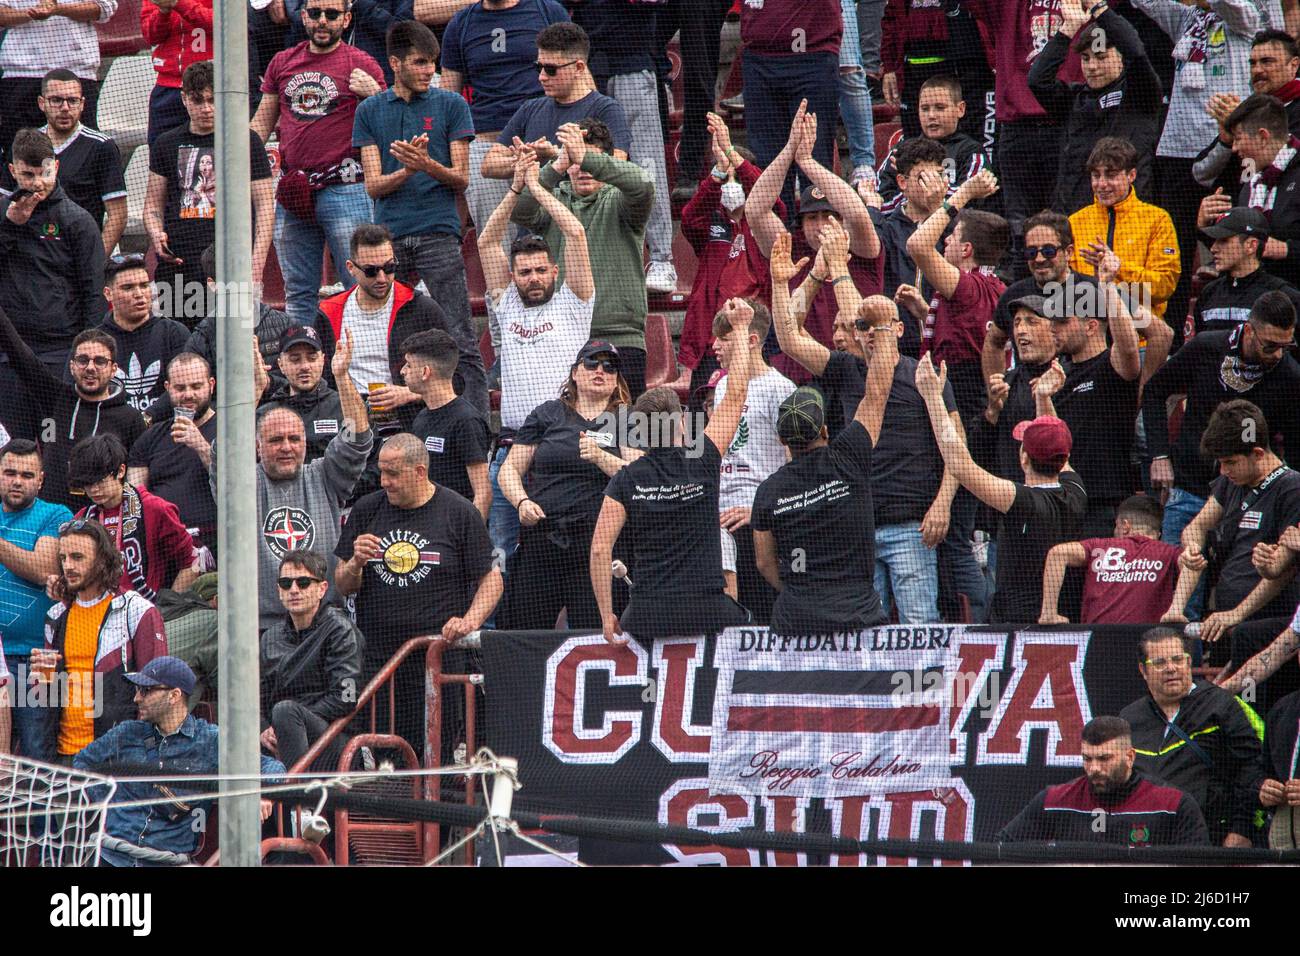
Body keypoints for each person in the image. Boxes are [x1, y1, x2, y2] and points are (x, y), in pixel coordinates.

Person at [770, 232, 959, 625]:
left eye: (882, 325)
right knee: (859, 630)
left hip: (913, 524)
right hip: (856, 526)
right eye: (866, 327)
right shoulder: (848, 370)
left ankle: (926, 688)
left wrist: (943, 502)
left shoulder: (926, 374)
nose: (872, 332)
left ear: (901, 330)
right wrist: (779, 282)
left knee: (920, 625)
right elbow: (789, 338)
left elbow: (955, 448)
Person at [591, 298, 758, 644]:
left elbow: (599, 550)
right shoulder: (705, 457)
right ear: (682, 422)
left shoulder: (627, 478)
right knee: (748, 621)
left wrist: (607, 616)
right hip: (707, 609)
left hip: (647, 614)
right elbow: (738, 391)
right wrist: (741, 328)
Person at [354, 21, 488, 417]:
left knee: (460, 335)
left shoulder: (452, 104)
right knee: (385, 334)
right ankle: (392, 420)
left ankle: (476, 425)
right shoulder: (369, 110)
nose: (430, 70)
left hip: (438, 234)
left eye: (433, 62)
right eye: (419, 62)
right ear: (395, 63)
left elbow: (462, 178)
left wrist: (426, 163)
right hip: (388, 241)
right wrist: (409, 171)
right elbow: (373, 186)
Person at [335, 432, 502, 748]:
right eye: (381, 471)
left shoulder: (458, 511)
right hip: (381, 656)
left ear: (420, 471)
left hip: (437, 654)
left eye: (393, 473)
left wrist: (470, 621)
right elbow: (343, 585)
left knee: (436, 746)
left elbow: (492, 579)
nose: (384, 481)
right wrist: (356, 562)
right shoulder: (368, 509)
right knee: (386, 747)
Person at [478, 150, 594, 565]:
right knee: (499, 554)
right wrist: (514, 188)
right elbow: (487, 241)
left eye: (541, 270)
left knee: (563, 556)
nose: (533, 278)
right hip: (511, 446)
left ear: (555, 271)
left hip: (561, 447)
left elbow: (577, 235)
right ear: (513, 276)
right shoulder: (506, 303)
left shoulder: (574, 302)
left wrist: (538, 189)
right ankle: (497, 629)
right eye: (524, 272)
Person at [1131, 0, 1272, 338]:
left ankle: (1236, 334)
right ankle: (1172, 338)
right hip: (1177, 150)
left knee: (1235, 244)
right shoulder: (1187, 17)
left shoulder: (1246, 15)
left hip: (1228, 146)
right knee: (1175, 252)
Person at [752, 310, 895, 635]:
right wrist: (884, 325)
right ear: (826, 431)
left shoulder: (768, 491)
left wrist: (797, 589)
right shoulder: (850, 455)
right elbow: (876, 393)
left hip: (795, 619)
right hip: (858, 616)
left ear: (781, 439)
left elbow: (764, 563)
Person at [919, 354, 1087, 625]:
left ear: (1023, 457)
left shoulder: (1022, 501)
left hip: (1017, 625)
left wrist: (932, 398)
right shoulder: (1075, 490)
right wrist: (1043, 398)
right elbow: (1056, 440)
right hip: (1063, 624)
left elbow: (961, 465)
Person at [1144, 292, 1300, 580]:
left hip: (1250, 500)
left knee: (1238, 585)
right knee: (1177, 583)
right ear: (1250, 331)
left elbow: (1294, 444)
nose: (1278, 353)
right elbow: (1154, 391)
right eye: (1270, 345)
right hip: (1190, 486)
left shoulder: (1290, 375)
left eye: (1286, 345)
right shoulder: (1207, 347)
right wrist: (1159, 455)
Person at [74, 656, 283, 867]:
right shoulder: (127, 732)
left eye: (146, 690)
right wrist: (111, 803)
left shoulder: (210, 740)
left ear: (174, 695)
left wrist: (263, 793)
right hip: (111, 856)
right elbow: (82, 763)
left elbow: (272, 767)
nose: (137, 698)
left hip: (167, 860)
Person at [252, 0, 385, 327]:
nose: (322, 21)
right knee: (297, 291)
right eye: (315, 13)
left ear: (347, 18)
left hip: (348, 188)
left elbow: (392, 129)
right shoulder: (283, 62)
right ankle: (302, 368)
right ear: (303, 16)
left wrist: (376, 96)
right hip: (294, 192)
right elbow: (259, 128)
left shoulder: (362, 63)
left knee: (359, 285)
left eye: (331, 14)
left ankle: (364, 361)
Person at [234, 329, 373, 630]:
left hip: (325, 620)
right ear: (257, 446)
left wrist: (342, 376)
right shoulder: (242, 483)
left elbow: (358, 439)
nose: (286, 447)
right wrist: (256, 388)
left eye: (294, 439)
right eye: (276, 440)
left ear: (306, 443)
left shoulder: (323, 474)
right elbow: (226, 449)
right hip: (258, 626)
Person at [510, 118, 654, 394]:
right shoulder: (555, 199)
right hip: (563, 338)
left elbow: (644, 184)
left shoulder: (622, 201)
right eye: (577, 162)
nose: (584, 169)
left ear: (607, 162)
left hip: (621, 338)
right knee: (567, 433)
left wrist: (585, 157)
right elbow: (519, 209)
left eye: (591, 161)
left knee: (624, 434)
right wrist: (558, 165)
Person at [497, 341, 632, 629]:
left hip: (598, 541)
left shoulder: (627, 419)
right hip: (545, 535)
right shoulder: (547, 414)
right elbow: (509, 469)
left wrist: (600, 458)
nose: (601, 370)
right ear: (574, 372)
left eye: (610, 367)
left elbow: (638, 476)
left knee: (594, 631)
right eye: (592, 363)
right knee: (526, 629)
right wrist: (521, 501)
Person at [748, 101, 884, 383]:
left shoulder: (861, 247)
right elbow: (755, 210)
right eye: (812, 218)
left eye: (828, 216)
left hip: (859, 374)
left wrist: (808, 162)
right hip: (799, 374)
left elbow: (857, 212)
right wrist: (789, 151)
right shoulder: (791, 249)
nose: (820, 225)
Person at [314, 224, 476, 442]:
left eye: (389, 267)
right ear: (351, 268)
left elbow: (457, 380)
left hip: (408, 422)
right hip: (348, 420)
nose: (382, 278)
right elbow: (320, 381)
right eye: (371, 271)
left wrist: (409, 394)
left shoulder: (422, 308)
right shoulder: (329, 312)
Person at [0, 128, 106, 440]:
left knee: (59, 443)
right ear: (12, 171)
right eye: (27, 174)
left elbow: (93, 292)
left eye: (44, 173)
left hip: (59, 353)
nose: (36, 183)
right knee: (15, 446)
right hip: (8, 355)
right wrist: (10, 226)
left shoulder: (78, 220)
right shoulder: (2, 214)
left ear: (56, 167)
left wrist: (85, 354)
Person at [436, 0, 570, 247]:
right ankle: (499, 288)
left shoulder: (547, 10)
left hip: (541, 144)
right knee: (493, 239)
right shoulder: (461, 23)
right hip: (486, 146)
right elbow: (449, 98)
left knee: (551, 236)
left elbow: (575, 74)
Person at [1162, 400, 1300, 638]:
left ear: (1257, 453)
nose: (1224, 470)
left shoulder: (1291, 487)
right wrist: (1192, 548)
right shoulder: (1231, 482)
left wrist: (1237, 614)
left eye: (1230, 462)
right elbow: (1197, 526)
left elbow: (1284, 570)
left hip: (1267, 622)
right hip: (1223, 618)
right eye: (1221, 463)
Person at [147, 62, 275, 312]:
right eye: (197, 100)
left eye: (212, 99)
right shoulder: (166, 143)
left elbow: (265, 208)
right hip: (179, 261)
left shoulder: (246, 141)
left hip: (231, 262)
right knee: (180, 340)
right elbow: (152, 206)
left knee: (236, 337)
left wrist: (256, 264)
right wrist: (155, 234)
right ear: (184, 98)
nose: (206, 108)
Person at [42, 518, 169, 766]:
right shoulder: (55, 615)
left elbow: (157, 688)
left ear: (102, 560)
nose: (68, 566)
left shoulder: (137, 611)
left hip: (117, 756)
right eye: (64, 558)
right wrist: (43, 677)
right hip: (64, 755)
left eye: (78, 557)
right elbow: (48, 694)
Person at [1037, 250, 1144, 541]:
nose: (1053, 329)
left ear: (1091, 325)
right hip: (1063, 499)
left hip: (1104, 504)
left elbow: (1130, 347)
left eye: (1062, 321)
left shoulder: (1112, 366)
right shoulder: (1058, 374)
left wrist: (1107, 285)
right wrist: (1042, 397)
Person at [1121, 627, 1263, 847]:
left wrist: (1242, 829)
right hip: (1147, 839)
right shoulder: (1129, 718)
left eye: (1178, 659)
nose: (1171, 669)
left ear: (1189, 662)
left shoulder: (1222, 704)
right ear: (1143, 670)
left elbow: (1252, 768)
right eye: (1159, 663)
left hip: (1211, 836)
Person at [678, 112, 782, 398]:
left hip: (758, 339)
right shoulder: (709, 223)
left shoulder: (766, 223)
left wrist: (734, 155)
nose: (731, 184)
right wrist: (717, 173)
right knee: (706, 424)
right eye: (727, 179)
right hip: (714, 342)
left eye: (737, 178)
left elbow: (774, 200)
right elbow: (689, 217)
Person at [0, 308, 145, 510]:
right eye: (83, 360)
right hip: (48, 517)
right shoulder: (56, 397)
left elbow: (135, 479)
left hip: (100, 523)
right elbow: (18, 353)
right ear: (71, 366)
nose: (90, 368)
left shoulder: (130, 418)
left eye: (100, 361)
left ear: (114, 369)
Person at [1027, 0, 1162, 216]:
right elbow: (1037, 81)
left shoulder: (1140, 93)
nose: (1092, 67)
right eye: (1085, 58)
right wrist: (1068, 29)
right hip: (1075, 216)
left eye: (1101, 57)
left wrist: (1100, 10)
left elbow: (1136, 52)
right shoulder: (1073, 98)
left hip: (1127, 216)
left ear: (1120, 58)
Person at [708, 301, 794, 625]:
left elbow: (791, 461)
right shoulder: (723, 387)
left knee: (764, 615)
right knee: (733, 620)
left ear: (751, 340)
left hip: (758, 523)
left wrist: (760, 510)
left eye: (724, 338)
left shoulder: (781, 388)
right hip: (722, 520)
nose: (715, 345)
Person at [996, 715, 1210, 846]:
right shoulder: (1053, 801)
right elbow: (1001, 849)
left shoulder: (1173, 804)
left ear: (1129, 757)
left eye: (1104, 758)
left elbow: (1199, 865)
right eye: (1087, 759)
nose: (1094, 769)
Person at [903, 168, 1006, 424]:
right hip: (975, 390)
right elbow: (966, 331)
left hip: (962, 393)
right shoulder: (995, 285)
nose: (946, 240)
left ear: (967, 249)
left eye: (954, 235)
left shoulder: (969, 285)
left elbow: (917, 245)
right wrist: (927, 313)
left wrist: (963, 194)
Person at [260, 548, 364, 771]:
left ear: (322, 589)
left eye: (304, 582)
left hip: (335, 739)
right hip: (280, 731)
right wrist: (264, 728)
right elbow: (258, 697)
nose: (294, 590)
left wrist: (287, 722)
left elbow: (345, 698)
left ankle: (299, 801)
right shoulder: (270, 637)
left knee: (285, 711)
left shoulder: (340, 629)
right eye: (286, 584)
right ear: (279, 590)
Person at [0, 70, 125, 254]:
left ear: (82, 104)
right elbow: (3, 203)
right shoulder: (23, 144)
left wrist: (95, 264)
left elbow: (118, 216)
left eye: (72, 100)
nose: (65, 108)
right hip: (29, 259)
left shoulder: (101, 147)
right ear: (42, 103)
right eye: (56, 100)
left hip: (77, 254)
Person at [738, 0, 842, 221]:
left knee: (813, 159)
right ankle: (778, 245)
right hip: (759, 59)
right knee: (768, 162)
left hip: (813, 55)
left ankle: (819, 247)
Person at [0, 439, 70, 760]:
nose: (17, 480)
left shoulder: (56, 513)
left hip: (39, 661)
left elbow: (43, 569)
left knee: (39, 756)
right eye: (9, 472)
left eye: (27, 475)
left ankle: (40, 814)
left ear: (41, 480)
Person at [68, 433, 202, 600]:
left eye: (100, 481)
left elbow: (192, 562)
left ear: (121, 470)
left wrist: (167, 608)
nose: (94, 489)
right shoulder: (83, 519)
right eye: (88, 484)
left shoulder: (155, 509)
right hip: (96, 613)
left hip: (143, 611)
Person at [1068, 137, 1180, 324]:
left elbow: (1165, 286)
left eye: (1111, 175)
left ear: (1132, 175)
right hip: (1090, 339)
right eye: (1096, 175)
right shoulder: (1075, 221)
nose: (1102, 184)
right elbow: (1066, 285)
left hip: (1141, 335)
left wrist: (1120, 268)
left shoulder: (1157, 220)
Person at [983, 212, 1103, 379]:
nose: (1039, 259)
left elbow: (1151, 329)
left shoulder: (1094, 289)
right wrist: (997, 394)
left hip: (1085, 395)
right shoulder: (1014, 294)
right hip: (1029, 398)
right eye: (1031, 252)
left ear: (1068, 252)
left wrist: (1141, 391)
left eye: (1048, 251)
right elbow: (994, 342)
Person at [1041, 494, 1182, 625]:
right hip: (1150, 639)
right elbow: (1192, 563)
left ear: (1125, 525)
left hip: (1099, 637)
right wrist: (1177, 609)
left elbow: (1057, 553)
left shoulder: (1099, 547)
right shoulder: (1168, 552)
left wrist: (1049, 613)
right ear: (1158, 532)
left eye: (1116, 526)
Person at [126, 353, 219, 553]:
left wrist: (201, 445)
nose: (188, 394)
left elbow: (236, 487)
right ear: (167, 389)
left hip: (215, 541)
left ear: (211, 385)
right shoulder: (151, 436)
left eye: (196, 386)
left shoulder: (229, 429)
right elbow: (134, 498)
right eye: (180, 388)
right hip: (165, 544)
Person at [0, 0, 112, 162]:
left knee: (81, 154)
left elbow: (104, 8)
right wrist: (30, 13)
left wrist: (58, 9)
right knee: (18, 152)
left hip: (76, 73)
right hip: (21, 73)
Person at [1204, 94, 1300, 280]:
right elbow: (1237, 248)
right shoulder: (1252, 181)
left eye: (1238, 139)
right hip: (1258, 295)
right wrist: (1205, 224)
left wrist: (1286, 249)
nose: (1234, 148)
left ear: (1263, 136)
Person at [868, 136, 948, 355]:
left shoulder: (956, 225)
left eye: (940, 176)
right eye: (924, 177)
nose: (934, 185)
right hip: (900, 349)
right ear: (902, 182)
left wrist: (939, 210)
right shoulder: (887, 230)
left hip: (946, 347)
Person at [1194, 30, 1300, 194]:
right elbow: (1200, 174)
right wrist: (1226, 141)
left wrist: (1244, 127)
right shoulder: (1248, 109)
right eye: (1253, 63)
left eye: (1267, 62)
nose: (1257, 70)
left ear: (1293, 65)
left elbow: (1290, 159)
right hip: (1238, 210)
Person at [401, 329, 491, 520]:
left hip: (455, 526)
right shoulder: (421, 418)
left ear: (425, 372)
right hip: (426, 523)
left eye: (408, 365)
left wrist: (472, 541)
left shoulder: (466, 421)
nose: (403, 371)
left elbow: (483, 492)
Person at [875, 74, 992, 216]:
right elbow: (878, 205)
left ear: (960, 109)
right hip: (904, 232)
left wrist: (917, 184)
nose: (931, 115)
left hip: (953, 232)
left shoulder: (971, 151)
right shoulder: (902, 150)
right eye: (924, 109)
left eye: (940, 108)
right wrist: (917, 192)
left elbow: (971, 201)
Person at [185, 243, 293, 392]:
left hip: (280, 411)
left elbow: (304, 386)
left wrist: (267, 382)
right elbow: (197, 396)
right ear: (212, 284)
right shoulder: (202, 337)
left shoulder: (285, 324)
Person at [97, 254, 191, 417]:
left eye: (144, 285)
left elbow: (187, 387)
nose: (139, 294)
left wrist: (149, 417)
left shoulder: (174, 333)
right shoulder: (94, 341)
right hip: (113, 433)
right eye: (128, 287)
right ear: (108, 294)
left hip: (166, 431)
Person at [1195, 207, 1300, 335]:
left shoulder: (1283, 296)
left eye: (1223, 240)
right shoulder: (1209, 293)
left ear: (1251, 245)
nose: (1213, 248)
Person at [258, 324, 345, 465]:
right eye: (295, 359)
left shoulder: (342, 407)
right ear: (281, 365)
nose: (305, 366)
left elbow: (366, 456)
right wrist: (256, 390)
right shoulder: (267, 413)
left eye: (312, 358)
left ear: (323, 360)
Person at [140, 0, 214, 146]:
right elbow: (151, 36)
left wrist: (179, 3)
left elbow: (224, 23)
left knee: (208, 154)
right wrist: (163, 12)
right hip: (167, 89)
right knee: (161, 151)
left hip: (209, 87)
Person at [154, 571, 217, 707]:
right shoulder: (212, 621)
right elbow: (225, 683)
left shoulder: (165, 613)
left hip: (135, 699)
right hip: (164, 711)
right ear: (217, 600)